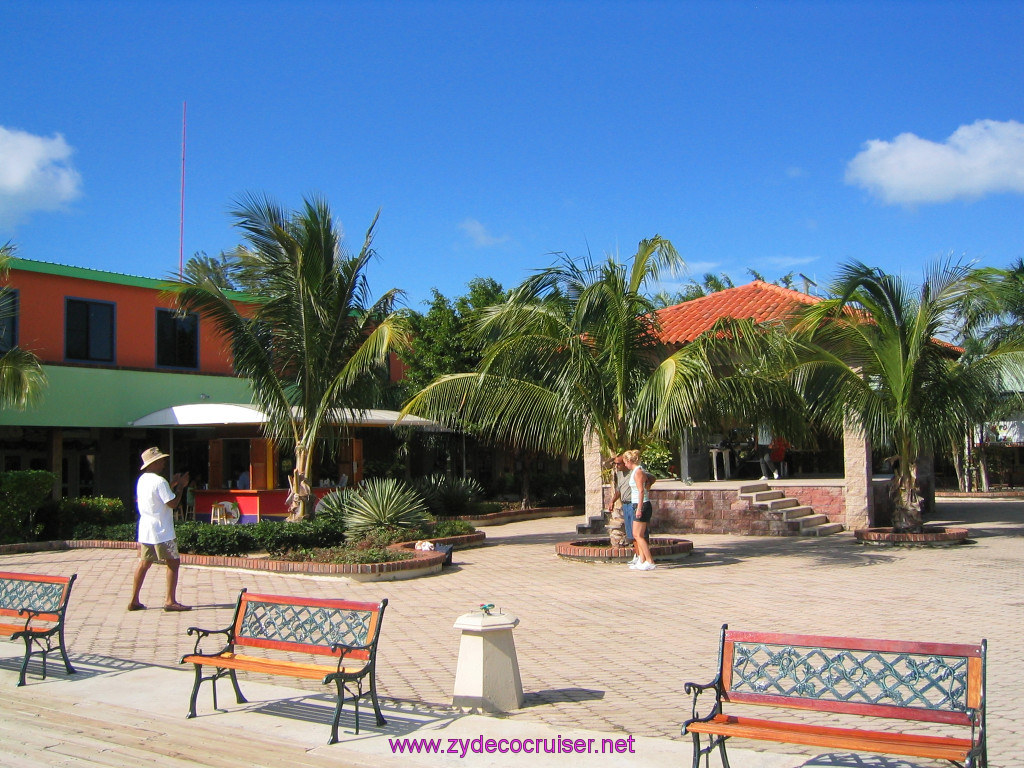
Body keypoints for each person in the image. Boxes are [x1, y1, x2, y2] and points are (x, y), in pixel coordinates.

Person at [128, 447, 191, 612]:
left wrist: (173, 484)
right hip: (162, 530)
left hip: (146, 529)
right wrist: (181, 487)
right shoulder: (159, 481)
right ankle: (170, 600)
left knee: (144, 563)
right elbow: (172, 503)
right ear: (154, 463)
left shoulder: (143, 480)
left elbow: (158, 496)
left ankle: (134, 599)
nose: (163, 463)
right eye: (161, 461)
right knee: (173, 562)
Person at [622, 449, 656, 571]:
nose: (624, 464)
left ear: (629, 460)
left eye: (625, 461)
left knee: (638, 535)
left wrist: (639, 508)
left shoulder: (638, 472)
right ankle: (641, 560)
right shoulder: (636, 471)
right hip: (636, 504)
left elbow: (641, 490)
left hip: (642, 505)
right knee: (637, 535)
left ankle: (650, 560)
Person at [607, 454, 635, 554]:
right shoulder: (619, 474)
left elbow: (650, 478)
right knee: (630, 534)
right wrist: (612, 501)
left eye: (618, 464)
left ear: (625, 463)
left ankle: (643, 556)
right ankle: (636, 554)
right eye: (615, 464)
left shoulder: (633, 472)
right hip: (625, 505)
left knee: (636, 532)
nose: (616, 466)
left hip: (633, 504)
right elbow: (618, 490)